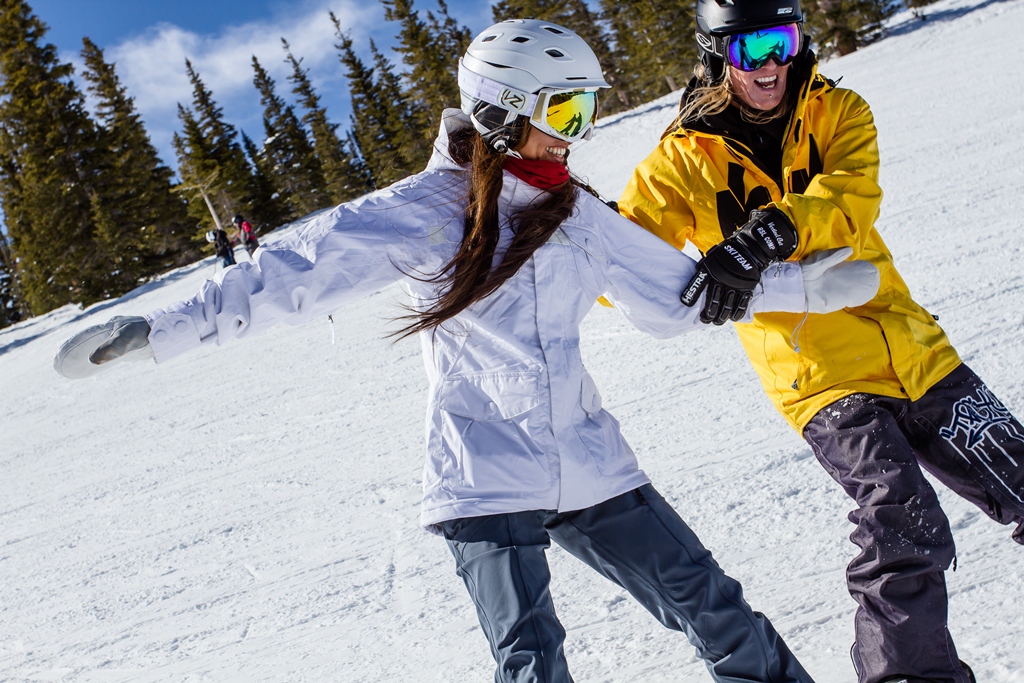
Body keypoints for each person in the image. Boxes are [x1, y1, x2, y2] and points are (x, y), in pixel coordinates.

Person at [52, 20, 879, 682]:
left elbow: (676, 295)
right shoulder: (430, 210)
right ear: (502, 111)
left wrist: (804, 288)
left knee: (718, 612)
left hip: (588, 460)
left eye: (586, 112)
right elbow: (296, 271)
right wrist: (161, 330)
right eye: (565, 114)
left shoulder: (579, 215)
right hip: (485, 473)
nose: (578, 135)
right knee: (533, 663)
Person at [617, 2, 1023, 682]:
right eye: (749, 50)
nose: (770, 64)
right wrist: (699, 270)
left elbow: (851, 197)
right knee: (901, 518)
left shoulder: (838, 112)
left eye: (782, 41)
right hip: (821, 377)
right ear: (716, 53)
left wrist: (769, 235)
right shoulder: (679, 163)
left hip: (914, 348)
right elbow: (621, 266)